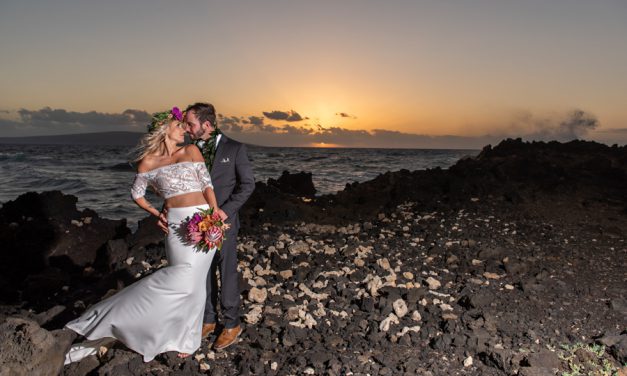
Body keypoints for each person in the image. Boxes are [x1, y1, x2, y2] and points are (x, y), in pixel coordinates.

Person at [64, 107, 226, 363]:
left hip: (204, 219)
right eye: (178, 125)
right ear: (163, 130)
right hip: (176, 224)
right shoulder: (148, 162)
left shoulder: (191, 151)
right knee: (179, 277)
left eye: (185, 125)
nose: (184, 129)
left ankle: (189, 338)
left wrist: (215, 211)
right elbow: (136, 193)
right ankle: (111, 320)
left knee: (194, 283)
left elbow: (207, 185)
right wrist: (156, 213)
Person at [159, 102, 254, 350]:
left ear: (207, 124)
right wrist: (166, 209)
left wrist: (225, 212)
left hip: (224, 222)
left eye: (191, 124)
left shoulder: (235, 149)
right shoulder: (189, 150)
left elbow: (248, 185)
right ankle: (208, 319)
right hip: (195, 222)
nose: (187, 128)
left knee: (227, 270)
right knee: (203, 272)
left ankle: (232, 323)